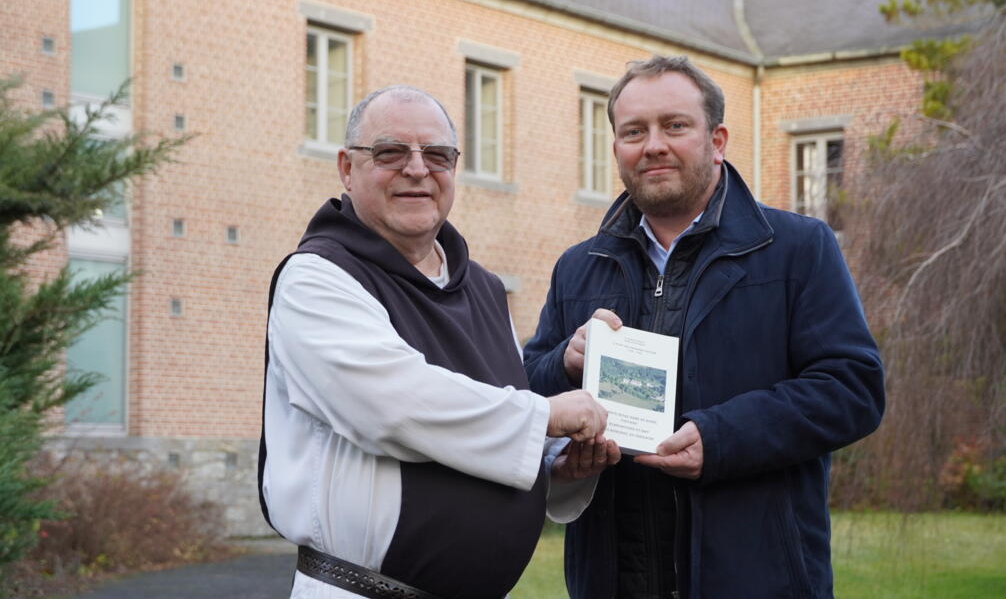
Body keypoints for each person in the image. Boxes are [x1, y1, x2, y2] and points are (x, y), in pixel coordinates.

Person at [523, 56, 886, 599]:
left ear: (717, 140)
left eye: (675, 126)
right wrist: (564, 363)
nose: (653, 145)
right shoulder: (578, 266)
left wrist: (721, 439)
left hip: (758, 579)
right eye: (633, 131)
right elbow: (524, 392)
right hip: (613, 579)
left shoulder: (797, 248)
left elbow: (852, 389)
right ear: (616, 147)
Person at [258, 85, 614, 599]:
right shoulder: (317, 279)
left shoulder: (485, 289)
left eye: (438, 155)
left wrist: (558, 463)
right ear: (346, 168)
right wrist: (547, 417)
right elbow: (394, 406)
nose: (418, 169)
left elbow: (486, 423)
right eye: (390, 152)